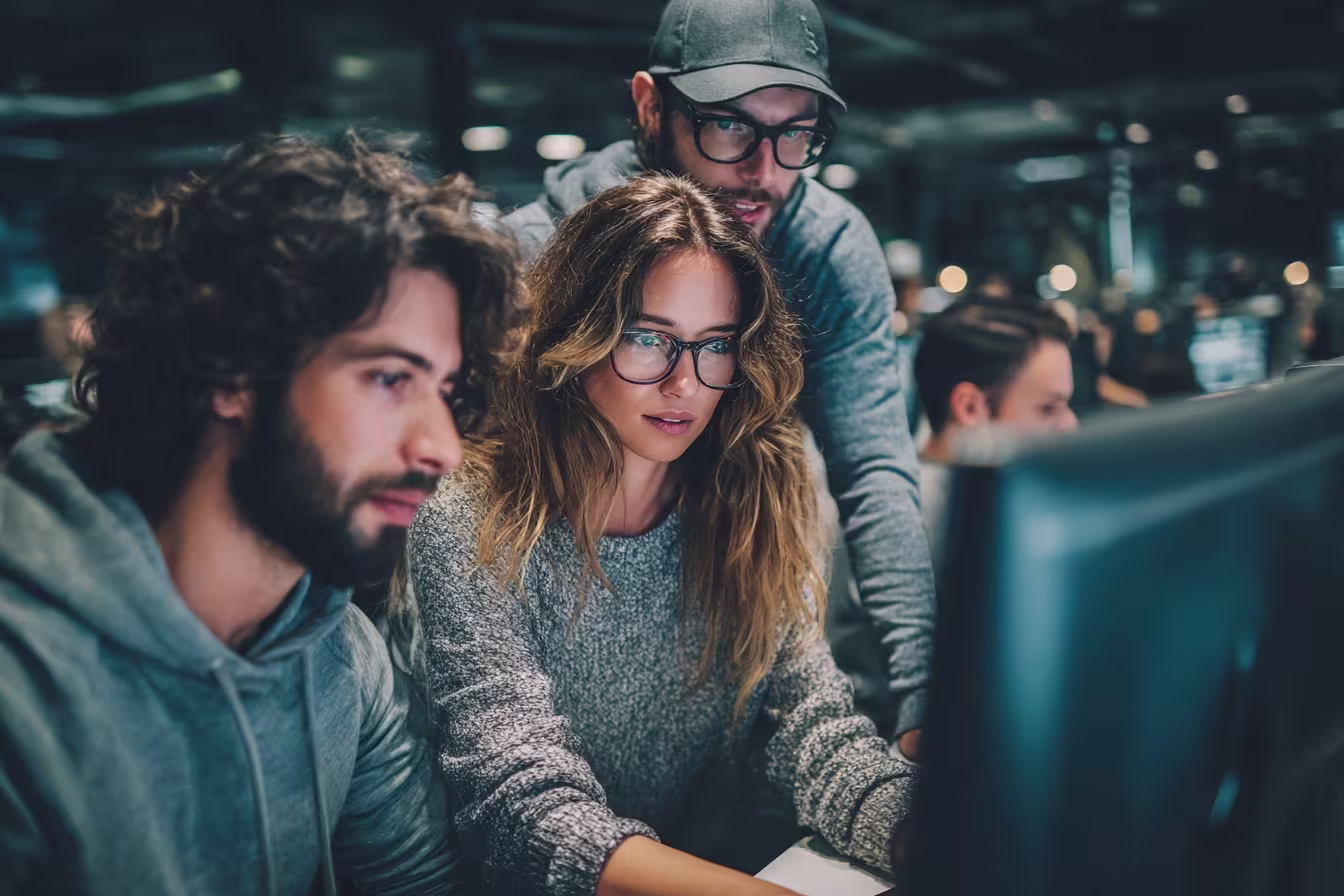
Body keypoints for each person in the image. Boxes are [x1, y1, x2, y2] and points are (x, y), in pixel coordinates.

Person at [0, 133, 518, 895]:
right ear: (231, 371)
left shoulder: (342, 656)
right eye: (387, 378)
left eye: (445, 391)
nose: (442, 446)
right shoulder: (23, 687)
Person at [398, 174, 917, 896]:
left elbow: (808, 725)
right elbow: (524, 806)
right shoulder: (472, 519)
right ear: (576, 334)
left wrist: (926, 831)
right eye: (650, 339)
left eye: (715, 345)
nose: (685, 383)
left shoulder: (756, 494)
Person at [501, 0, 935, 761]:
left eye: (795, 132)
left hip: (728, 649)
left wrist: (926, 694)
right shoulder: (533, 258)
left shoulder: (829, 250)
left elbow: (872, 472)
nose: (763, 172)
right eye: (729, 125)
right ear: (650, 106)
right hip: (549, 661)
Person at [913, 299, 1079, 567]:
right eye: (1049, 408)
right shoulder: (913, 530)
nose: (1070, 424)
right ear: (970, 407)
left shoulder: (985, 498)